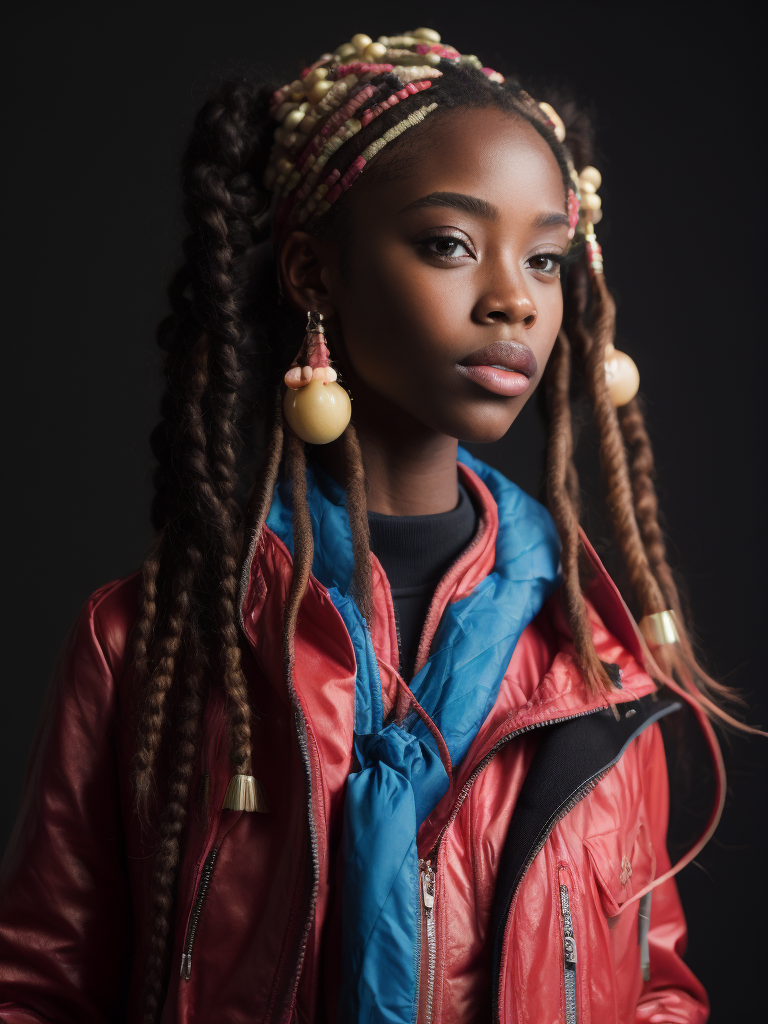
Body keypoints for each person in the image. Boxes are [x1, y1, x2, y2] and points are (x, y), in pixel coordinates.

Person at [0, 25, 760, 1024]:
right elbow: (41, 992)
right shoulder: (145, 643)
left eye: (544, 259)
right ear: (315, 275)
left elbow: (658, 990)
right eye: (451, 243)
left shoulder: (600, 658)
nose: (513, 302)